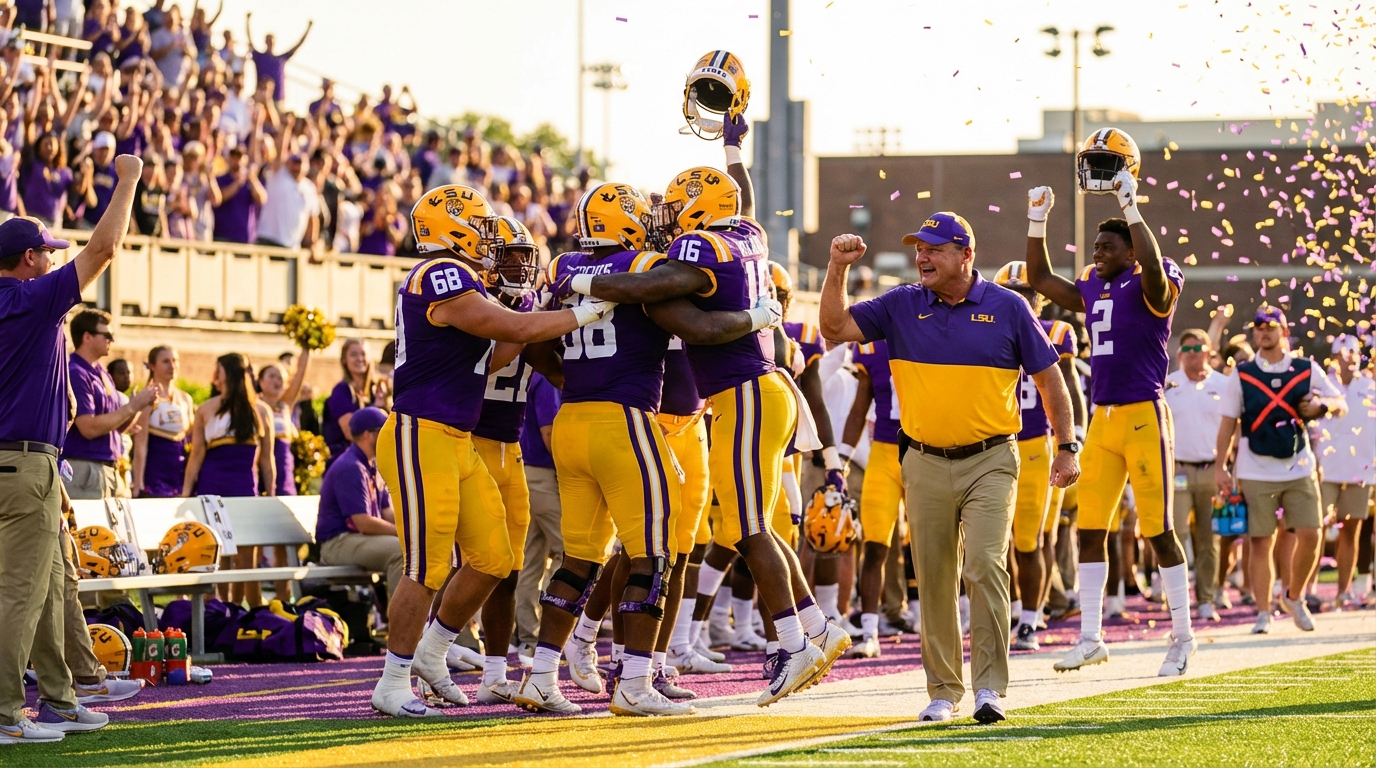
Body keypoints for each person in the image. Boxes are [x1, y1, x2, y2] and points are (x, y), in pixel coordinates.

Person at [551, 110, 844, 710]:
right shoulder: (749, 235)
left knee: (742, 529)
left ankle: (792, 642)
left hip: (740, 392)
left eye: (679, 205)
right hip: (757, 392)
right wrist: (735, 150)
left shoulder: (693, 248)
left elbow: (667, 305)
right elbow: (745, 203)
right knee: (752, 524)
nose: (666, 217)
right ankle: (816, 627)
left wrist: (582, 281)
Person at [526, 182, 776, 716]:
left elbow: (534, 345)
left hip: (573, 420)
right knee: (654, 555)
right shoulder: (646, 262)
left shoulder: (564, 267)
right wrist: (755, 317)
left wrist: (572, 383)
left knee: (579, 558)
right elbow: (692, 322)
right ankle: (635, 680)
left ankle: (541, 674)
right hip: (626, 420)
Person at [821, 214, 1078, 725]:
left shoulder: (1010, 306)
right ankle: (944, 690)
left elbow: (1051, 381)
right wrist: (835, 268)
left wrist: (1068, 446)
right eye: (919, 248)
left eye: (934, 249)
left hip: (991, 458)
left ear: (965, 254)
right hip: (923, 459)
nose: (922, 257)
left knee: (984, 564)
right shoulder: (900, 303)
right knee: (935, 578)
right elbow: (833, 327)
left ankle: (989, 688)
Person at [368, 184, 613, 718]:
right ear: (453, 229)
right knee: (425, 568)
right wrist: (584, 312)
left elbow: (504, 351)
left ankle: (432, 652)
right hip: (420, 433)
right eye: (477, 227)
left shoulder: (460, 280)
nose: (486, 238)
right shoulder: (441, 273)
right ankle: (392, 681)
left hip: (456, 439)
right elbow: (512, 329)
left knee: (496, 558)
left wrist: (537, 312)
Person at [1023, 130, 1197, 678]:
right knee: (1089, 528)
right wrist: (1037, 221)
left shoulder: (1152, 279)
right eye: (1095, 248)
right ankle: (1092, 636)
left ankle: (1183, 636)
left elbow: (1155, 273)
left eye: (1105, 248)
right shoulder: (1095, 289)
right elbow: (1041, 279)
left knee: (1157, 529)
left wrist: (1130, 205)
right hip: (1103, 419)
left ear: (1129, 251)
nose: (1096, 255)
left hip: (1146, 414)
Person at [0, 154, 142, 743]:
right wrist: (128, 178)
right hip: (24, 462)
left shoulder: (21, 300)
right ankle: (7, 712)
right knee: (21, 593)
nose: (56, 257)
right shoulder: (29, 299)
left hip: (32, 462)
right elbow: (104, 248)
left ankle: (59, 698)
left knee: (52, 583)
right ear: (29, 260)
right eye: (48, 252)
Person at [1213, 307, 1346, 633]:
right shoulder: (1242, 373)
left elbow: (1340, 402)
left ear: (1284, 331)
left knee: (1311, 534)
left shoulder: (1305, 368)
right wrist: (1220, 466)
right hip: (1254, 468)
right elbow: (1228, 422)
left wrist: (1321, 407)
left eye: (1271, 326)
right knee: (1260, 542)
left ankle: (1294, 595)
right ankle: (1262, 611)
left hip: (1299, 464)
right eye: (1258, 326)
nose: (1264, 331)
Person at [991, 261, 1085, 652]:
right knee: (997, 540)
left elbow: (1070, 388)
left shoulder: (1056, 333)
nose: (1020, 299)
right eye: (1012, 292)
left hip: (1035, 444)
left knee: (1031, 538)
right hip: (996, 442)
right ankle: (1014, 609)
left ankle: (1031, 618)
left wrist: (1073, 441)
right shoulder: (983, 328)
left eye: (1026, 292)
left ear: (1040, 299)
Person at [183, 352, 276, 607]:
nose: (214, 376)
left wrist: (272, 493)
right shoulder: (206, 409)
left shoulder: (261, 411)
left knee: (248, 553)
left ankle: (250, 610)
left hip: (245, 487)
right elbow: (196, 456)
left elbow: (267, 460)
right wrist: (185, 493)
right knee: (218, 550)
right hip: (213, 486)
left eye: (218, 370)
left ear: (229, 374)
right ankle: (221, 608)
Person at [1164, 328, 1230, 621]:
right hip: (1177, 469)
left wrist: (1227, 466)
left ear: (1209, 351)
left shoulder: (1224, 385)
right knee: (1173, 533)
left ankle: (1206, 599)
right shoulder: (1167, 385)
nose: (1192, 354)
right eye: (1186, 349)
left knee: (1208, 537)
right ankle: (1176, 600)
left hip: (1211, 469)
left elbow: (1235, 429)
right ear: (1179, 354)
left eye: (1198, 348)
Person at [61, 309, 158, 500]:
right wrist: (131, 406)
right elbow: (88, 428)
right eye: (107, 335)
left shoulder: (102, 373)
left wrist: (138, 406)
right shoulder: (76, 372)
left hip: (108, 468)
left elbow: (116, 427)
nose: (112, 340)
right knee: (88, 530)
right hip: (85, 469)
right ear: (87, 337)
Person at [1314, 334, 1376, 610]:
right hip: (1325, 470)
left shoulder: (1371, 387)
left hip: (1360, 469)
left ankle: (1343, 592)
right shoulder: (1322, 386)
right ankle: (1307, 590)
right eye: (1342, 352)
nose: (1347, 357)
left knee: (1351, 531)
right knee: (1315, 529)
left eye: (1352, 352)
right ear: (1334, 356)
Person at [316, 407, 403, 601]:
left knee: (422, 548)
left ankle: (430, 624)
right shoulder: (351, 467)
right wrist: (404, 534)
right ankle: (405, 626)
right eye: (383, 431)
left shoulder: (371, 464)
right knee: (401, 552)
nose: (389, 436)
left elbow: (387, 512)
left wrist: (418, 529)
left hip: (357, 539)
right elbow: (364, 523)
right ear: (367, 435)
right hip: (337, 544)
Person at [513, 371, 561, 659]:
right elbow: (549, 432)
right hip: (543, 474)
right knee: (571, 552)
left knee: (531, 560)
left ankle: (529, 637)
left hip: (523, 470)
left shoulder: (529, 374)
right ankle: (551, 626)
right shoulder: (545, 376)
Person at [131, 345, 196, 498]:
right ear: (152, 366)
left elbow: (192, 441)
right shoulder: (147, 396)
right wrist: (138, 483)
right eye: (166, 361)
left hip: (179, 474)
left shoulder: (186, 398)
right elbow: (140, 444)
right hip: (155, 474)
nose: (172, 366)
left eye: (175, 361)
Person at [256, 117, 320, 251]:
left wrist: (312, 244)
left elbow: (312, 218)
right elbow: (279, 154)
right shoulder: (278, 175)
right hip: (267, 239)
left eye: (300, 163)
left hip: (292, 246)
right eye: (294, 162)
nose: (297, 166)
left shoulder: (309, 188)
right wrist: (286, 130)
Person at [323, 339, 388, 461]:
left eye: (363, 354)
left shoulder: (376, 389)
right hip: (345, 460)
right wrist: (376, 409)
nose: (359, 358)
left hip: (372, 461)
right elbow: (352, 433)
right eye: (353, 355)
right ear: (344, 360)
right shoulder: (341, 391)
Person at [258, 345, 310, 496]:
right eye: (272, 376)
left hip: (285, 470)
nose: (277, 381)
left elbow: (300, 374)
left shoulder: (285, 405)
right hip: (260, 468)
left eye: (280, 378)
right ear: (260, 381)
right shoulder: (253, 406)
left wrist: (307, 344)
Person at [245, 13, 312, 106]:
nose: (270, 43)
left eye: (271, 41)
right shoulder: (259, 57)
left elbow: (297, 46)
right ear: (265, 42)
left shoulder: (281, 59)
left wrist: (308, 29)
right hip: (260, 97)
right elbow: (250, 41)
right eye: (268, 41)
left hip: (277, 100)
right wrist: (247, 21)